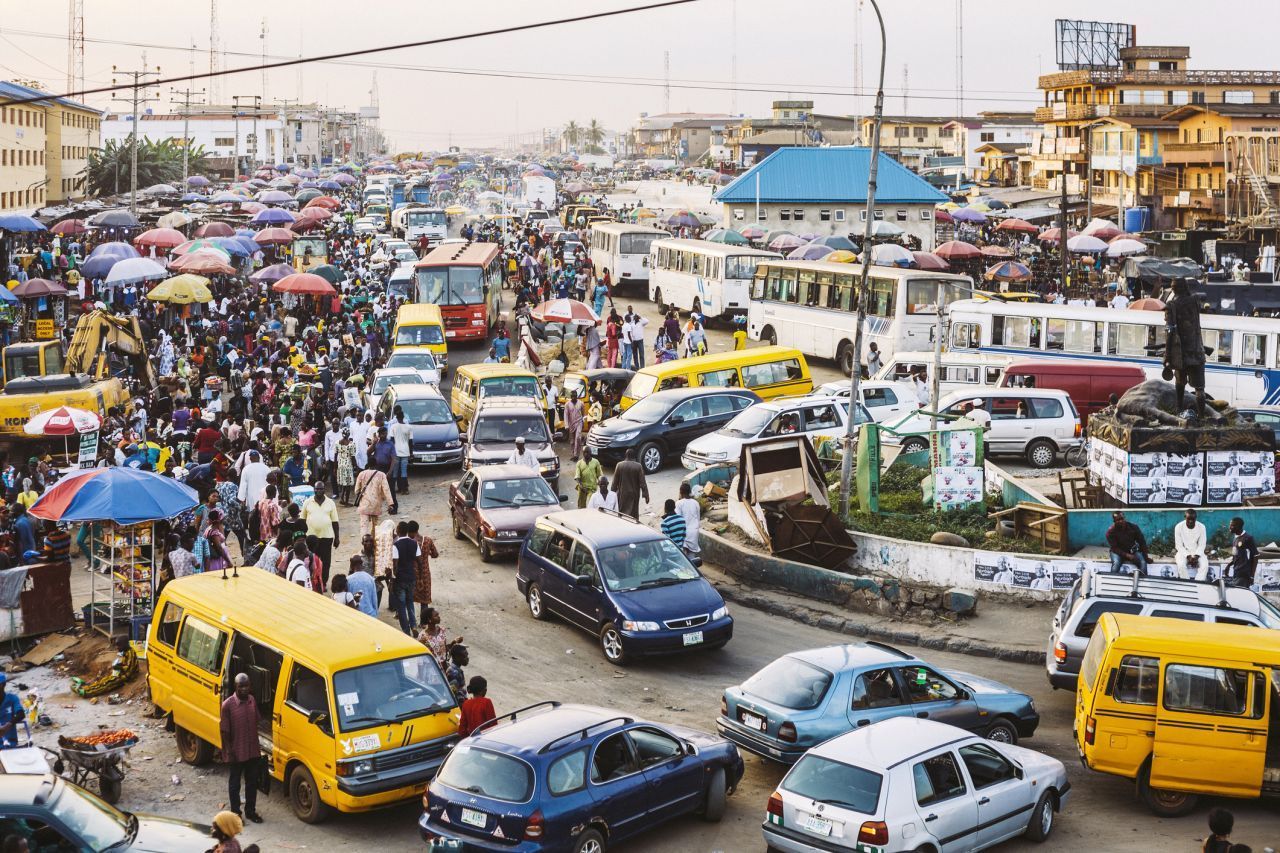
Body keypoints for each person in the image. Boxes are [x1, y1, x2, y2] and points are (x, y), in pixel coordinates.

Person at [220, 674, 263, 824]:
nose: (244, 689)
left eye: (247, 686)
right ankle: (236, 814)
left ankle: (250, 811)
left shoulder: (252, 700)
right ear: (235, 687)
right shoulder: (227, 705)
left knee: (252, 782)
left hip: (252, 750)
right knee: (235, 784)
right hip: (236, 751)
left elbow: (256, 721)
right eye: (241, 686)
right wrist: (229, 751)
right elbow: (224, 731)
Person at [301, 481, 340, 587]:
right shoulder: (307, 502)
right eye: (316, 489)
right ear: (314, 490)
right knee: (311, 560)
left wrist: (337, 537)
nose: (318, 491)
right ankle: (313, 582)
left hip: (326, 537)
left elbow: (335, 521)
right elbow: (302, 520)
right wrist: (302, 536)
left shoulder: (330, 503)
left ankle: (323, 582)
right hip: (311, 538)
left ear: (324, 490)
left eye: (321, 489)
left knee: (326, 562)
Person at [391, 521, 420, 635]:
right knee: (410, 602)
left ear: (398, 531)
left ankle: (406, 630)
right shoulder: (414, 543)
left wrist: (391, 581)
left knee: (401, 605)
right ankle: (413, 625)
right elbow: (419, 561)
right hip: (411, 577)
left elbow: (395, 565)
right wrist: (420, 577)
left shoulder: (396, 545)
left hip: (400, 579)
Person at [354, 463, 394, 536]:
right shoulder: (382, 475)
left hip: (364, 504)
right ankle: (374, 544)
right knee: (376, 526)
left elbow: (356, 490)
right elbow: (386, 490)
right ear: (376, 465)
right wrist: (390, 504)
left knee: (364, 526)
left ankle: (365, 543)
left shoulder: (361, 474)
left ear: (368, 465)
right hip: (376, 505)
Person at [1106, 511, 1149, 575]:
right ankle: (1113, 579)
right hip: (1117, 552)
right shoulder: (1110, 532)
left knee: (1143, 562)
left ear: (1124, 518)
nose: (1121, 521)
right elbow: (1114, 548)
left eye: (1122, 519)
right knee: (1116, 563)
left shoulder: (1133, 527)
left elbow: (1142, 541)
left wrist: (1146, 556)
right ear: (1114, 521)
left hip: (1131, 551)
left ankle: (1142, 579)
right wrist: (1127, 555)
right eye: (1118, 520)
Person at [611, 448, 649, 519]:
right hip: (634, 494)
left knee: (621, 512)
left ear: (626, 455)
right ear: (634, 456)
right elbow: (643, 483)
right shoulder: (638, 466)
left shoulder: (619, 465)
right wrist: (646, 495)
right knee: (633, 513)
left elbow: (614, 483)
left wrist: (611, 495)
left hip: (622, 494)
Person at [1174, 508, 1209, 581]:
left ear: (1196, 518)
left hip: (1198, 551)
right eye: (1188, 519)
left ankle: (1198, 583)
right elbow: (1179, 545)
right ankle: (1186, 583)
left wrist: (1196, 556)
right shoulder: (1179, 527)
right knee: (1181, 565)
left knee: (1205, 565)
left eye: (1193, 519)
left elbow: (1202, 544)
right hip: (1183, 551)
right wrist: (1188, 556)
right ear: (1185, 517)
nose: (1190, 521)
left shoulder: (1201, 527)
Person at [1226, 516, 1258, 588]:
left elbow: (1256, 557)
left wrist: (1252, 576)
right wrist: (1229, 565)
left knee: (1241, 595)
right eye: (1230, 525)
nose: (1230, 527)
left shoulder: (1248, 538)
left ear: (1238, 526)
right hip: (1236, 572)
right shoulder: (1235, 538)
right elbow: (1235, 555)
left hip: (1244, 574)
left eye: (1232, 525)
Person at [389, 407, 413, 494]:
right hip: (405, 451)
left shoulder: (393, 427)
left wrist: (391, 453)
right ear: (403, 417)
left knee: (395, 471)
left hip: (396, 451)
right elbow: (410, 442)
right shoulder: (409, 427)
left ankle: (392, 489)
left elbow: (392, 441)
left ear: (397, 417)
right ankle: (404, 489)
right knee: (404, 471)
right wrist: (411, 453)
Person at [0, 672, 27, 748]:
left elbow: (21, 714)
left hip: (10, 741)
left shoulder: (12, 698)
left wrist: (7, 726)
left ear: (2, 685)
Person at [675, 482, 701, 555]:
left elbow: (678, 519)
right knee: (692, 556)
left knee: (684, 556)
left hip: (684, 532)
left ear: (681, 492)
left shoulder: (679, 503)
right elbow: (698, 518)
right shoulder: (696, 503)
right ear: (689, 491)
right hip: (694, 531)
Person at [563, 390, 585, 461]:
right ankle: (573, 454)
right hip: (571, 424)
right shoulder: (567, 404)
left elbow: (583, 413)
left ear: (577, 396)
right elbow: (566, 415)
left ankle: (576, 455)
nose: (573, 398)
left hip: (579, 422)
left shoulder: (581, 403)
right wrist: (566, 425)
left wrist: (583, 422)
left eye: (575, 396)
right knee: (572, 441)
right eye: (572, 396)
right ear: (570, 396)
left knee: (578, 438)